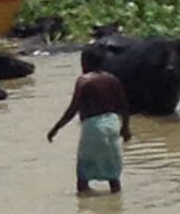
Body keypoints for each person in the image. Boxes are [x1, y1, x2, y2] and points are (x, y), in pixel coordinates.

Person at [47, 44, 131, 194]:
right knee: (112, 167)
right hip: (112, 124)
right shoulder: (112, 79)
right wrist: (125, 128)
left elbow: (73, 109)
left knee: (83, 173)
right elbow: (124, 106)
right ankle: (116, 200)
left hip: (94, 126)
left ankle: (84, 206)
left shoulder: (84, 80)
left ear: (86, 62)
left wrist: (56, 128)